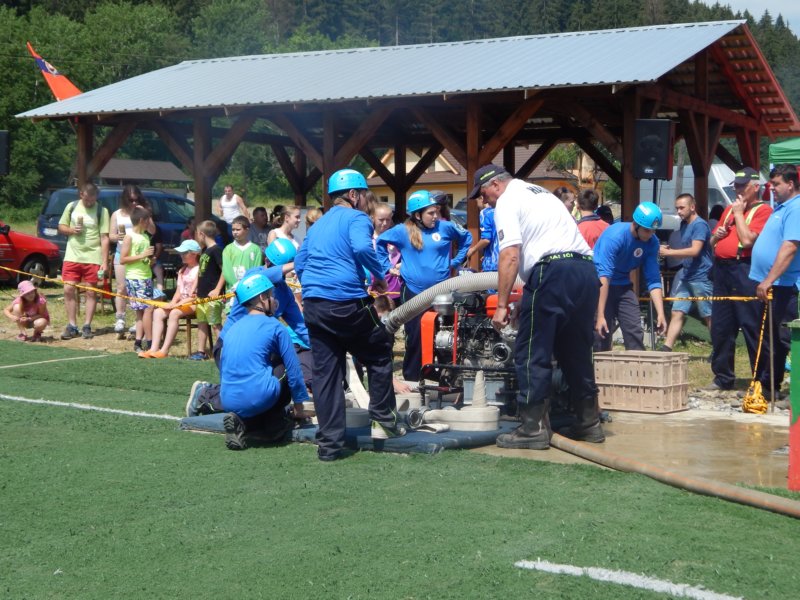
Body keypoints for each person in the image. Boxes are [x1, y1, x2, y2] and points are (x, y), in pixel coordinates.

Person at [468, 164, 602, 449]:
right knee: (577, 352)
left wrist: (501, 305)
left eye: (483, 194)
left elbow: (510, 255)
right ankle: (589, 423)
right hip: (585, 271)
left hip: (552, 273)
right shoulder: (540, 194)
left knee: (532, 352)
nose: (485, 201)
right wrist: (526, 296)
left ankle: (532, 428)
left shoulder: (507, 201)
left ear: (495, 185)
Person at [294, 167, 404, 461]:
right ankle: (383, 421)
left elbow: (300, 261)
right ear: (354, 195)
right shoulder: (357, 218)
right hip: (346, 304)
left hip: (315, 306)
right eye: (365, 196)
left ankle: (329, 446)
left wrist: (314, 287)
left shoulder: (317, 225)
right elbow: (361, 248)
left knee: (326, 373)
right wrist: (378, 276)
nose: (368, 202)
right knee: (379, 351)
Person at [376, 190, 472, 381]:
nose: (435, 216)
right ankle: (413, 377)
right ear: (418, 215)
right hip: (413, 291)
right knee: (416, 336)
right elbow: (380, 242)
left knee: (445, 334)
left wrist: (455, 262)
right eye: (431, 213)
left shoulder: (445, 227)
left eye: (436, 211)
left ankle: (444, 375)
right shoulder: (402, 231)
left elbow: (466, 238)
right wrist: (387, 267)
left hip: (442, 291)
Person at [217, 273, 309, 450]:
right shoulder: (276, 326)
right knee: (282, 365)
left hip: (227, 399)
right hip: (259, 397)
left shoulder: (232, 328)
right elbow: (294, 370)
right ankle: (274, 423)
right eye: (271, 295)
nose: (275, 300)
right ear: (262, 298)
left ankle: (243, 421)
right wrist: (299, 406)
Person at [709, 167, 772, 390]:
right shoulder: (729, 209)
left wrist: (738, 214)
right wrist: (716, 237)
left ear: (755, 187)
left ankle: (761, 380)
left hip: (744, 269)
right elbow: (711, 242)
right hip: (722, 270)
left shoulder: (763, 211)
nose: (737, 190)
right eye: (735, 185)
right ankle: (723, 377)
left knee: (752, 325)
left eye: (742, 186)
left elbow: (747, 241)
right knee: (721, 326)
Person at [749, 164, 800, 398]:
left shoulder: (796, 208)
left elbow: (790, 247)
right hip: (772, 286)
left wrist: (769, 279)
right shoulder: (780, 207)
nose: (772, 188)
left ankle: (790, 393)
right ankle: (768, 387)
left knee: (785, 339)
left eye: (776, 184)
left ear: (790, 184)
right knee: (771, 339)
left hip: (785, 287)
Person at [593, 202, 667, 351]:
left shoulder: (652, 242)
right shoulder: (615, 237)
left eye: (654, 230)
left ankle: (637, 363)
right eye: (647, 230)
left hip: (623, 285)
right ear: (636, 224)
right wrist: (600, 315)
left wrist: (660, 313)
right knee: (602, 333)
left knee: (634, 329)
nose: (650, 234)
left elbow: (653, 279)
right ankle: (599, 364)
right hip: (600, 284)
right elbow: (604, 276)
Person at [658, 194, 713, 352]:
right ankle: (667, 347)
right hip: (687, 275)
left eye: (682, 208)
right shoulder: (684, 224)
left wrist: (669, 253)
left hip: (702, 276)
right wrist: (670, 249)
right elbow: (686, 249)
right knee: (677, 311)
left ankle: (719, 349)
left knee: (708, 315)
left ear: (692, 207)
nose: (679, 211)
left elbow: (695, 250)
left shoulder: (700, 225)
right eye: (677, 208)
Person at [57, 182, 110, 340]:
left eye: (93, 200)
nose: (90, 203)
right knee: (68, 289)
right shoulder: (71, 206)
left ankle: (87, 325)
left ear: (96, 197)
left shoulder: (102, 211)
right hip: (72, 255)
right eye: (87, 200)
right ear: (81, 195)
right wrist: (71, 230)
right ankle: (72, 325)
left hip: (93, 256)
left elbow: (105, 238)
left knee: (91, 292)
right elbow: (61, 226)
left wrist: (104, 262)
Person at [141, 240, 200, 359]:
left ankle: (164, 350)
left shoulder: (199, 270)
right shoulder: (182, 270)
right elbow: (178, 291)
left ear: (194, 254)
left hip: (194, 304)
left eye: (185, 253)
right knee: (158, 312)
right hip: (180, 303)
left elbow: (194, 295)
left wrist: (176, 305)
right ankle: (154, 348)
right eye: (181, 253)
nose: (181, 255)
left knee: (174, 313)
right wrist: (172, 303)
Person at [109, 184, 146, 334]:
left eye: (136, 200)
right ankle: (120, 318)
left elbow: (152, 230)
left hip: (138, 255)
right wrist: (117, 237)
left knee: (137, 288)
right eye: (131, 200)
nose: (134, 203)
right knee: (121, 287)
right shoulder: (117, 214)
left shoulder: (140, 212)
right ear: (125, 199)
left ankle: (138, 321)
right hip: (121, 253)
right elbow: (111, 236)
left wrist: (146, 214)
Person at [119, 206, 155, 353]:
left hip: (146, 276)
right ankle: (151, 341)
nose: (149, 224)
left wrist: (149, 260)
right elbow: (123, 259)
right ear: (141, 220)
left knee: (141, 311)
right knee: (148, 309)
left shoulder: (145, 236)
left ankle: (138, 341)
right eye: (147, 221)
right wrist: (142, 255)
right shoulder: (129, 237)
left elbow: (143, 259)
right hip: (135, 278)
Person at [191, 220, 225, 360]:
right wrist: (195, 288)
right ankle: (201, 352)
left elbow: (224, 271)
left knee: (215, 324)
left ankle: (225, 351)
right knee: (202, 323)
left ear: (201, 234)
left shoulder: (216, 250)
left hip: (212, 296)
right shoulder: (205, 250)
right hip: (202, 295)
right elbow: (202, 272)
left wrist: (217, 289)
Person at [222, 215, 263, 300]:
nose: (235, 232)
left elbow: (256, 269)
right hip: (232, 292)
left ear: (247, 230)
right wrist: (236, 285)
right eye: (233, 229)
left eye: (238, 229)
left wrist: (247, 285)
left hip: (249, 290)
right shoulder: (228, 249)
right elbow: (227, 271)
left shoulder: (256, 249)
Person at [370, 202, 402, 297]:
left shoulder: (397, 239)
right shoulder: (367, 240)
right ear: (373, 218)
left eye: (388, 220)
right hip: (373, 288)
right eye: (381, 220)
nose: (384, 223)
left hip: (395, 288)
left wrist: (399, 265)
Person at [465, 195, 499, 272]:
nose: (477, 205)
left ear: (482, 199)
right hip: (505, 260)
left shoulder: (485, 213)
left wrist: (472, 250)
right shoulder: (500, 211)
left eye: (476, 201)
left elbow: (486, 239)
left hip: (492, 265)